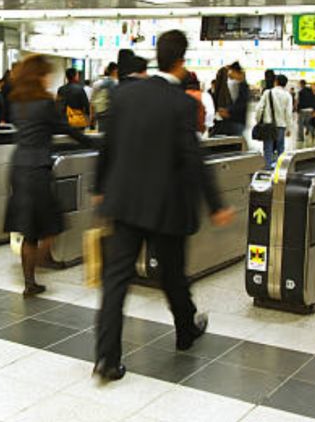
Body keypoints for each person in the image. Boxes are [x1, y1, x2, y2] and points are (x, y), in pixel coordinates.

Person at [93, 30, 235, 382]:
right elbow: (192, 156)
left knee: (116, 280)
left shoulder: (124, 94)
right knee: (172, 275)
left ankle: (106, 359)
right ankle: (186, 330)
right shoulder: (183, 104)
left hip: (124, 202)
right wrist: (215, 204)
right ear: (181, 62)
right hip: (165, 206)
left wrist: (99, 187)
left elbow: (107, 144)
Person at [4, 55, 94, 296]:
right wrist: (93, 143)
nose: (48, 78)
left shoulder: (17, 102)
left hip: (19, 166)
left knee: (30, 228)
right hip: (37, 169)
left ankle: (32, 277)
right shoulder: (44, 103)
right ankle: (36, 269)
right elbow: (65, 128)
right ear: (38, 76)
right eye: (45, 74)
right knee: (52, 224)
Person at [255, 74, 294, 168]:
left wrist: (258, 120)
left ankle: (267, 168)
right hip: (281, 126)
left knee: (268, 148)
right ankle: (279, 169)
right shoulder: (287, 95)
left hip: (268, 125)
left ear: (275, 81)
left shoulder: (267, 93)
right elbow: (288, 114)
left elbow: (259, 108)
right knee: (280, 149)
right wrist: (289, 128)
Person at [216, 62, 250, 136]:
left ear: (236, 72)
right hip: (235, 122)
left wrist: (228, 111)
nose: (230, 74)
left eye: (231, 71)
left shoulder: (243, 86)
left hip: (236, 122)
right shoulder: (238, 85)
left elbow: (241, 104)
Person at [91, 62, 118, 132]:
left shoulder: (96, 83)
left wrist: (92, 113)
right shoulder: (114, 82)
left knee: (101, 130)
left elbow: (92, 99)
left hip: (99, 110)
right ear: (115, 70)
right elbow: (113, 97)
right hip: (107, 110)